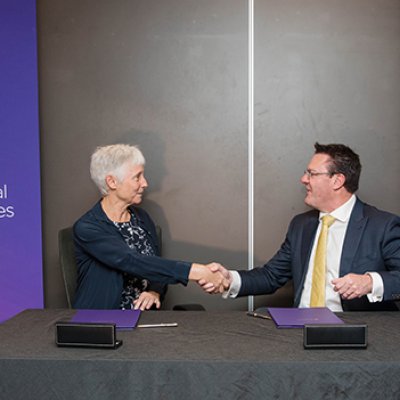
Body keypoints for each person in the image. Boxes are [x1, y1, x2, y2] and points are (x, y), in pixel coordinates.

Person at [202, 143, 400, 311]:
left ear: (337, 181)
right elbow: (271, 276)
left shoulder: (383, 225)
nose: (303, 179)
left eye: (312, 174)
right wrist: (230, 279)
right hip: (298, 333)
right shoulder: (301, 225)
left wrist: (370, 282)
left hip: (355, 338)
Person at [73, 144, 227, 310]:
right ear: (112, 182)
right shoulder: (87, 228)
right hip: (103, 324)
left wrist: (154, 291)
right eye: (137, 177)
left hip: (145, 319)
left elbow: (155, 265)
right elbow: (132, 261)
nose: (145, 183)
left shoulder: (142, 218)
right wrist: (198, 272)